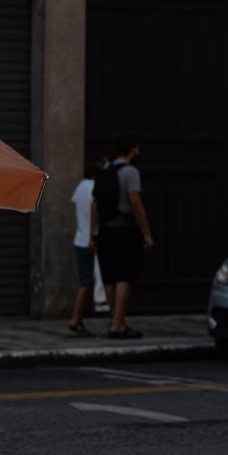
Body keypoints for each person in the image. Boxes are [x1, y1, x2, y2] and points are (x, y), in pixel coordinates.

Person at [93, 134, 154, 340]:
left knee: (109, 278)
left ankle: (116, 320)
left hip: (106, 229)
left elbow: (95, 204)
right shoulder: (130, 172)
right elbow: (135, 202)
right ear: (132, 149)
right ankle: (117, 326)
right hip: (125, 228)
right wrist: (146, 232)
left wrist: (94, 232)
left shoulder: (104, 172)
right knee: (124, 276)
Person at [68, 156, 107, 336]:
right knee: (87, 283)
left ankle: (78, 320)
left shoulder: (80, 187)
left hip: (80, 239)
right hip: (88, 241)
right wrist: (93, 237)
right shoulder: (94, 189)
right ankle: (75, 319)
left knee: (87, 282)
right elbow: (93, 214)